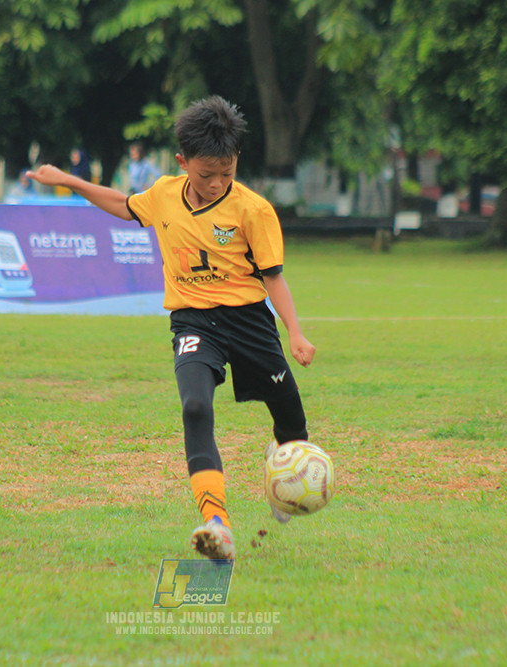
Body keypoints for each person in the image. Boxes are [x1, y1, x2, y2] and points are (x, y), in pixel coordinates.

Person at [28, 96, 315, 561]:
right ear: (183, 162)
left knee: (292, 421)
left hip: (249, 320)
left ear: (237, 161)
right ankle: (217, 524)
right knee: (195, 407)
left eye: (227, 173)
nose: (217, 183)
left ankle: (283, 465)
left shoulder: (254, 210)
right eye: (206, 175)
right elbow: (123, 205)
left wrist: (295, 332)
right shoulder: (163, 194)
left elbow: (273, 278)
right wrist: (69, 181)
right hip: (193, 320)